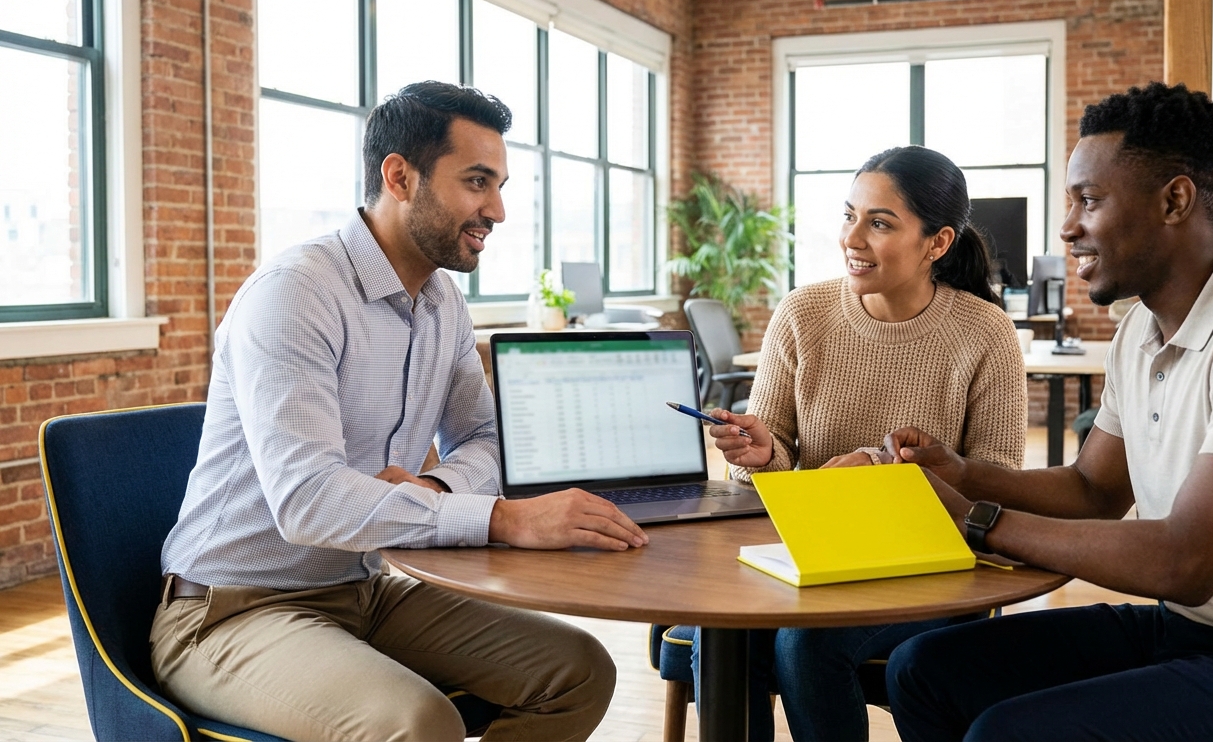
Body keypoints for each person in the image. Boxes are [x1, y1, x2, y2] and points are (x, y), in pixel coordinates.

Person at [150, 81, 649, 742]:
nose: (496, 210)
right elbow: (307, 501)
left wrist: (436, 488)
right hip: (234, 609)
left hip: (364, 589)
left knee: (579, 670)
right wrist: (498, 518)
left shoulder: (441, 302)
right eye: (477, 181)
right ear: (400, 177)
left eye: (500, 185)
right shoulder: (296, 294)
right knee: (419, 725)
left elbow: (488, 437)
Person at [880, 82, 1213, 740]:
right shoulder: (1141, 327)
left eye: (1089, 200)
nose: (1067, 226)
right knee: (925, 669)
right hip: (1193, 630)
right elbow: (1094, 490)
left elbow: (1186, 563)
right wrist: (965, 474)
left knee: (1014, 731)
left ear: (1174, 199)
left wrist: (976, 520)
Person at [699, 145, 1028, 741]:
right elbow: (762, 479)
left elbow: (996, 481)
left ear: (938, 243)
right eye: (849, 215)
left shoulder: (985, 331)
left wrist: (885, 472)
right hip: (808, 552)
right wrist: (762, 454)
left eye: (880, 223)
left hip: (931, 564)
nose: (853, 237)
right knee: (719, 631)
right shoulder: (803, 313)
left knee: (804, 644)